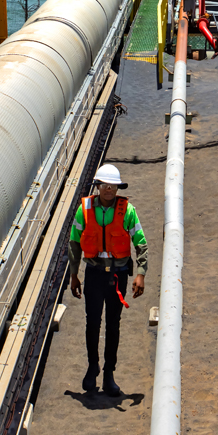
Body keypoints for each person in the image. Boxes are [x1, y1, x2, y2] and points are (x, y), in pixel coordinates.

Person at [69, 163, 148, 396]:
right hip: (93, 274)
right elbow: (74, 242)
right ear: (97, 187)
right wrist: (74, 275)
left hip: (117, 276)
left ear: (117, 188)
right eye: (104, 185)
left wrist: (141, 273)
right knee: (92, 323)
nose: (108, 190)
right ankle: (92, 367)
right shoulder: (84, 210)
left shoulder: (128, 211)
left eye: (113, 186)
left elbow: (141, 242)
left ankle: (109, 374)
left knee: (113, 325)